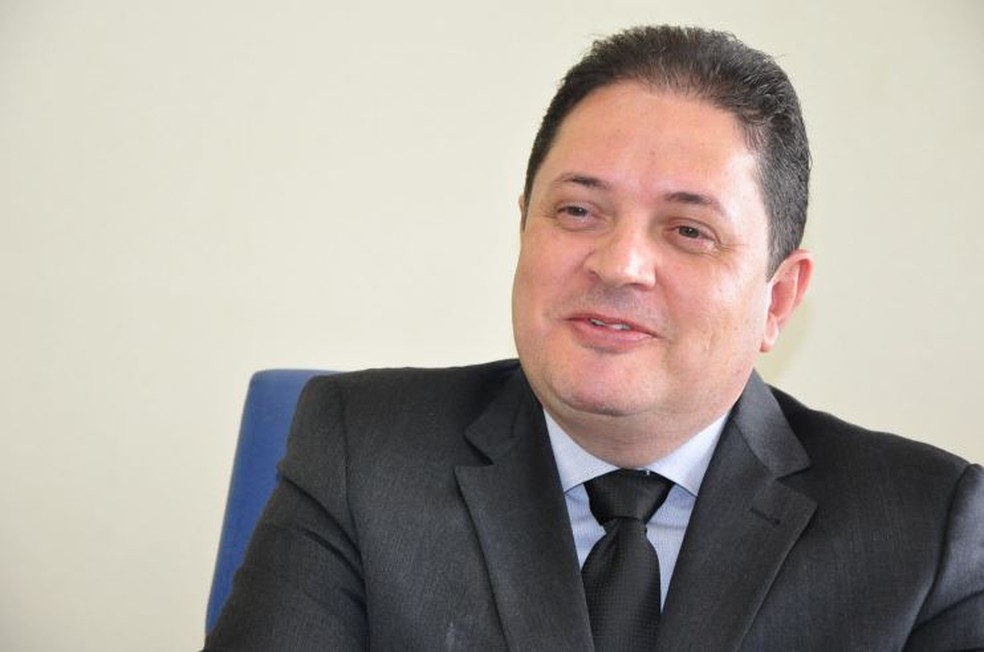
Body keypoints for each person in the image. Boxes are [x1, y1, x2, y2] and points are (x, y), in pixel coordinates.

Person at [204, 25, 984, 651]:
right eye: (579, 211)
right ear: (524, 229)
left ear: (777, 298)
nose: (619, 265)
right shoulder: (362, 450)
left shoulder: (928, 533)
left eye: (688, 230)